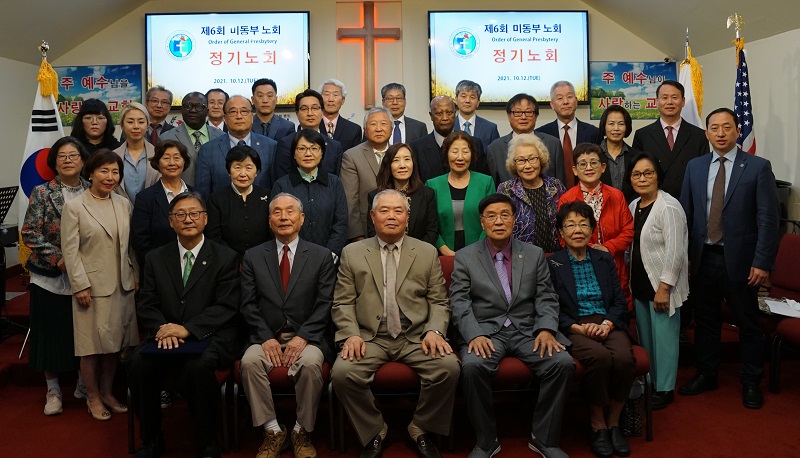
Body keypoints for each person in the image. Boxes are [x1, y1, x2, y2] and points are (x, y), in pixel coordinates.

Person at [331, 189, 459, 458]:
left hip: (416, 336)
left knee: (448, 367)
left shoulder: (426, 252)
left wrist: (435, 330)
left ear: (407, 217)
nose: (391, 216)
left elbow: (439, 301)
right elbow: (343, 302)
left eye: (398, 211)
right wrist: (351, 334)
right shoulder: (352, 253)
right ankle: (375, 430)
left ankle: (421, 427)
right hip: (370, 337)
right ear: (372, 216)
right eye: (384, 211)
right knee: (342, 374)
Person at [450, 193, 574, 458]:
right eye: (491, 216)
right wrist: (474, 334)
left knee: (562, 362)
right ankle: (486, 441)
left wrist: (546, 328)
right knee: (472, 366)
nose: (498, 221)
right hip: (486, 332)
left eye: (505, 215)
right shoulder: (465, 257)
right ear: (482, 222)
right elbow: (459, 302)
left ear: (514, 219)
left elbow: (546, 296)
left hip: (528, 330)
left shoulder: (533, 254)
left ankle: (544, 438)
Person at [678, 108, 780, 409]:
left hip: (742, 261)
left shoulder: (758, 167)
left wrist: (762, 261)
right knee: (706, 320)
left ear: (737, 130)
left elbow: (769, 219)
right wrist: (685, 258)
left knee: (747, 322)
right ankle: (706, 374)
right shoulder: (695, 166)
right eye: (714, 128)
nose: (720, 133)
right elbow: (686, 214)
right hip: (703, 257)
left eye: (727, 127)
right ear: (707, 133)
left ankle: (751, 380)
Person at [129, 191, 240, 458]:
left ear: (205, 219)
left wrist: (187, 329)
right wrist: (163, 329)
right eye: (180, 214)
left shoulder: (226, 257)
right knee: (138, 364)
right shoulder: (155, 257)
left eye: (194, 213)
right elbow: (146, 302)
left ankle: (207, 440)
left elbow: (226, 305)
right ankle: (151, 439)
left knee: (197, 368)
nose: (188, 219)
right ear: (171, 222)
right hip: (165, 334)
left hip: (209, 335)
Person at [239, 193, 336, 458]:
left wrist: (303, 336)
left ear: (301, 219)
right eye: (277, 212)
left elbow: (326, 303)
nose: (284, 217)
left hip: (308, 336)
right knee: (249, 362)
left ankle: (301, 430)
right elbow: (248, 304)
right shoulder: (253, 256)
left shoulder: (321, 256)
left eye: (290, 211)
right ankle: (272, 430)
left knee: (311, 363)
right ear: (269, 220)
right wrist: (265, 337)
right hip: (266, 335)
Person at [549, 201, 634, 458]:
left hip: (606, 321)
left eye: (583, 224)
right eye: (570, 225)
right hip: (575, 324)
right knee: (599, 357)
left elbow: (619, 300)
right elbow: (550, 306)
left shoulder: (603, 258)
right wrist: (575, 327)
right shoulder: (553, 264)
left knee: (623, 358)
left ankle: (614, 423)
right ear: (561, 232)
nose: (577, 230)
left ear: (592, 230)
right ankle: (598, 424)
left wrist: (607, 324)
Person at [61, 148, 138, 422]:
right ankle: (92, 396)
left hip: (122, 285)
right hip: (91, 288)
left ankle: (107, 392)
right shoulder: (75, 207)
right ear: (91, 173)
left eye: (115, 172)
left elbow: (129, 246)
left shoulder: (123, 204)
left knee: (115, 345)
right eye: (104, 171)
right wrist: (80, 285)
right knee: (91, 347)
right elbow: (70, 251)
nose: (110, 177)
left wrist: (135, 275)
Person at [21, 136, 90, 416]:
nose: (68, 160)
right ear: (54, 163)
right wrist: (59, 259)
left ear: (83, 161)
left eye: (74, 155)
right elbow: (30, 232)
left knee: (83, 332)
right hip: (50, 275)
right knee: (50, 333)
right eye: (62, 156)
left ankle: (85, 383)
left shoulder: (92, 189)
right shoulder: (41, 192)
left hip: (86, 274)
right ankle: (53, 390)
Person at [627, 152, 689, 410]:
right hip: (640, 284)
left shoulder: (669, 207)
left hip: (662, 286)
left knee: (664, 341)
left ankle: (665, 389)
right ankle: (651, 383)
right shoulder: (633, 205)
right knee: (647, 339)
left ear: (658, 176)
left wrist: (665, 288)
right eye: (636, 174)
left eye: (648, 173)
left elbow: (676, 252)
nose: (642, 179)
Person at [559, 143, 634, 309]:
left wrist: (608, 248)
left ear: (603, 167)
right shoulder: (567, 199)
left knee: (617, 309)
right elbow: (563, 236)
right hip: (580, 267)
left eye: (593, 162)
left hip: (614, 263)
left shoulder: (616, 196)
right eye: (583, 164)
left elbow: (628, 230)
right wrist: (589, 253)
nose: (589, 168)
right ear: (574, 170)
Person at [271, 129, 348, 259]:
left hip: (328, 257)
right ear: (294, 154)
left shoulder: (334, 183)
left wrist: (330, 255)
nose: (308, 154)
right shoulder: (281, 185)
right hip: (292, 258)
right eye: (302, 149)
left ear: (322, 153)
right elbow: (277, 223)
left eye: (314, 148)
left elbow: (341, 222)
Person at [632, 80, 708, 198]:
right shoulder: (642, 135)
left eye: (674, 97)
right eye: (664, 97)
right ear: (657, 102)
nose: (669, 102)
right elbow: (637, 174)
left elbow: (704, 173)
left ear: (683, 101)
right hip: (654, 200)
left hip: (689, 200)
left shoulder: (699, 135)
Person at [425, 131, 495, 256]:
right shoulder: (432, 185)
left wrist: (478, 249)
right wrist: (444, 250)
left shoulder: (486, 182)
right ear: (446, 153)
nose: (460, 157)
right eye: (454, 151)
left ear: (472, 155)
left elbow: (491, 219)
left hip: (481, 252)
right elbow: (429, 224)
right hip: (442, 254)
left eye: (465, 152)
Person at [195, 95, 278, 199]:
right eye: (233, 112)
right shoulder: (208, 150)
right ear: (225, 118)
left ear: (252, 116)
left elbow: (276, 189)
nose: (239, 116)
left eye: (244, 111)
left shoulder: (271, 147)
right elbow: (202, 193)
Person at [496, 133, 565, 252]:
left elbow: (566, 221)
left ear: (541, 160)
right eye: (521, 160)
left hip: (555, 255)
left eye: (532, 159)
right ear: (514, 164)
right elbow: (501, 225)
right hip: (519, 257)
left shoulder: (556, 186)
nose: (527, 166)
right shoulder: (506, 189)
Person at [131, 139, 192, 270]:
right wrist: (159, 267)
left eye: (177, 158)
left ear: (184, 161)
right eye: (166, 158)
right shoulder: (145, 198)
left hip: (194, 266)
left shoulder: (196, 194)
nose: (172, 163)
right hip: (159, 269)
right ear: (157, 162)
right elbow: (140, 241)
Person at [366, 142, 439, 246]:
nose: (402, 165)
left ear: (413, 163)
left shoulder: (427, 194)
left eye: (407, 159)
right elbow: (372, 232)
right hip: (384, 251)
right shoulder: (375, 196)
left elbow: (432, 231)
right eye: (396, 160)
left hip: (419, 252)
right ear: (388, 165)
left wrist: (414, 251)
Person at [205, 145, 272, 257]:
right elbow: (214, 236)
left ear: (256, 172)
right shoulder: (216, 199)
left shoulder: (267, 195)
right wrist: (233, 259)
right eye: (237, 167)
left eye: (249, 168)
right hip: (226, 260)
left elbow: (273, 231)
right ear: (229, 171)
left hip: (263, 258)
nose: (243, 174)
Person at [339, 107, 393, 241]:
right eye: (373, 124)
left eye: (384, 124)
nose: (379, 129)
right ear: (364, 129)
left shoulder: (401, 153)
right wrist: (357, 236)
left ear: (392, 128)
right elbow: (350, 201)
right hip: (366, 231)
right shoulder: (351, 156)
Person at [486, 93, 563, 185]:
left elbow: (560, 182)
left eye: (528, 112)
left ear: (536, 116)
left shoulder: (553, 144)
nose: (523, 117)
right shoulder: (494, 148)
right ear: (508, 116)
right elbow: (492, 186)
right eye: (517, 112)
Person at [536, 81, 602, 188]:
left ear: (576, 101)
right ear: (552, 105)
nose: (565, 102)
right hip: (551, 192)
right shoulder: (541, 134)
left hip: (587, 191)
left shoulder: (593, 132)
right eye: (560, 98)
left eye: (569, 97)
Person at [410, 95, 487, 182]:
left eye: (449, 113)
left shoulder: (474, 143)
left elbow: (482, 181)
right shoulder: (416, 148)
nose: (445, 118)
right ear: (431, 116)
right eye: (439, 113)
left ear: (455, 113)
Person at [273, 89, 344, 179]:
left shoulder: (334, 146)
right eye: (304, 109)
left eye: (315, 108)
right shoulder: (286, 144)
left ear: (322, 112)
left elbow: (336, 180)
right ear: (297, 114)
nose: (310, 113)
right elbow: (282, 179)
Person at [160, 91, 223, 186]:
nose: (193, 110)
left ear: (207, 111)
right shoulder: (166, 138)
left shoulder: (221, 137)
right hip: (180, 193)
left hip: (215, 193)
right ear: (182, 110)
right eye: (188, 106)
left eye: (199, 106)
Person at [113, 102, 161, 204]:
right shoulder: (113, 156)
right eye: (130, 122)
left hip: (152, 210)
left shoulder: (158, 155)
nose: (136, 126)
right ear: (122, 125)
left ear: (147, 125)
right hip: (121, 211)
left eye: (141, 122)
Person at [599, 104, 641, 202]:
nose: (616, 128)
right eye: (611, 124)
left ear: (627, 127)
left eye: (621, 124)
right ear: (604, 126)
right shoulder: (594, 155)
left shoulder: (636, 156)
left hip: (630, 207)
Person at [453, 79, 500, 152]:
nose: (467, 101)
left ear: (478, 102)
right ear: (456, 100)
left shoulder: (490, 129)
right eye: (463, 96)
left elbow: (495, 155)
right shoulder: (449, 126)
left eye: (472, 97)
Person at [318, 79, 363, 150]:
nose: (331, 99)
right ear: (319, 99)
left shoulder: (353, 130)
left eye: (335, 95)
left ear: (343, 100)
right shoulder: (310, 126)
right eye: (327, 94)